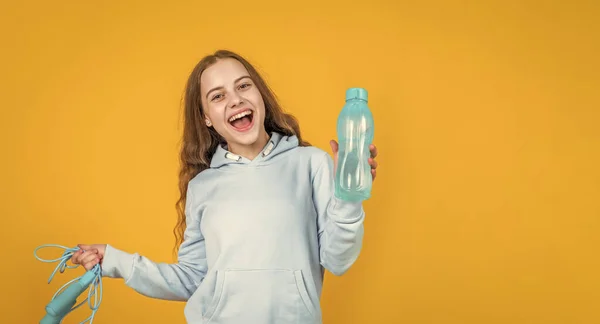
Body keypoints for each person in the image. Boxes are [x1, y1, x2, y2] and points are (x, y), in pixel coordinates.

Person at [71, 49, 379, 324]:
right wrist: (115, 260)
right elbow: (192, 278)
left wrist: (347, 196)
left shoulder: (311, 163)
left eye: (243, 86)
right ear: (207, 117)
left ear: (260, 96)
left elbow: (338, 260)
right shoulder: (203, 186)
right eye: (218, 96)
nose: (235, 100)